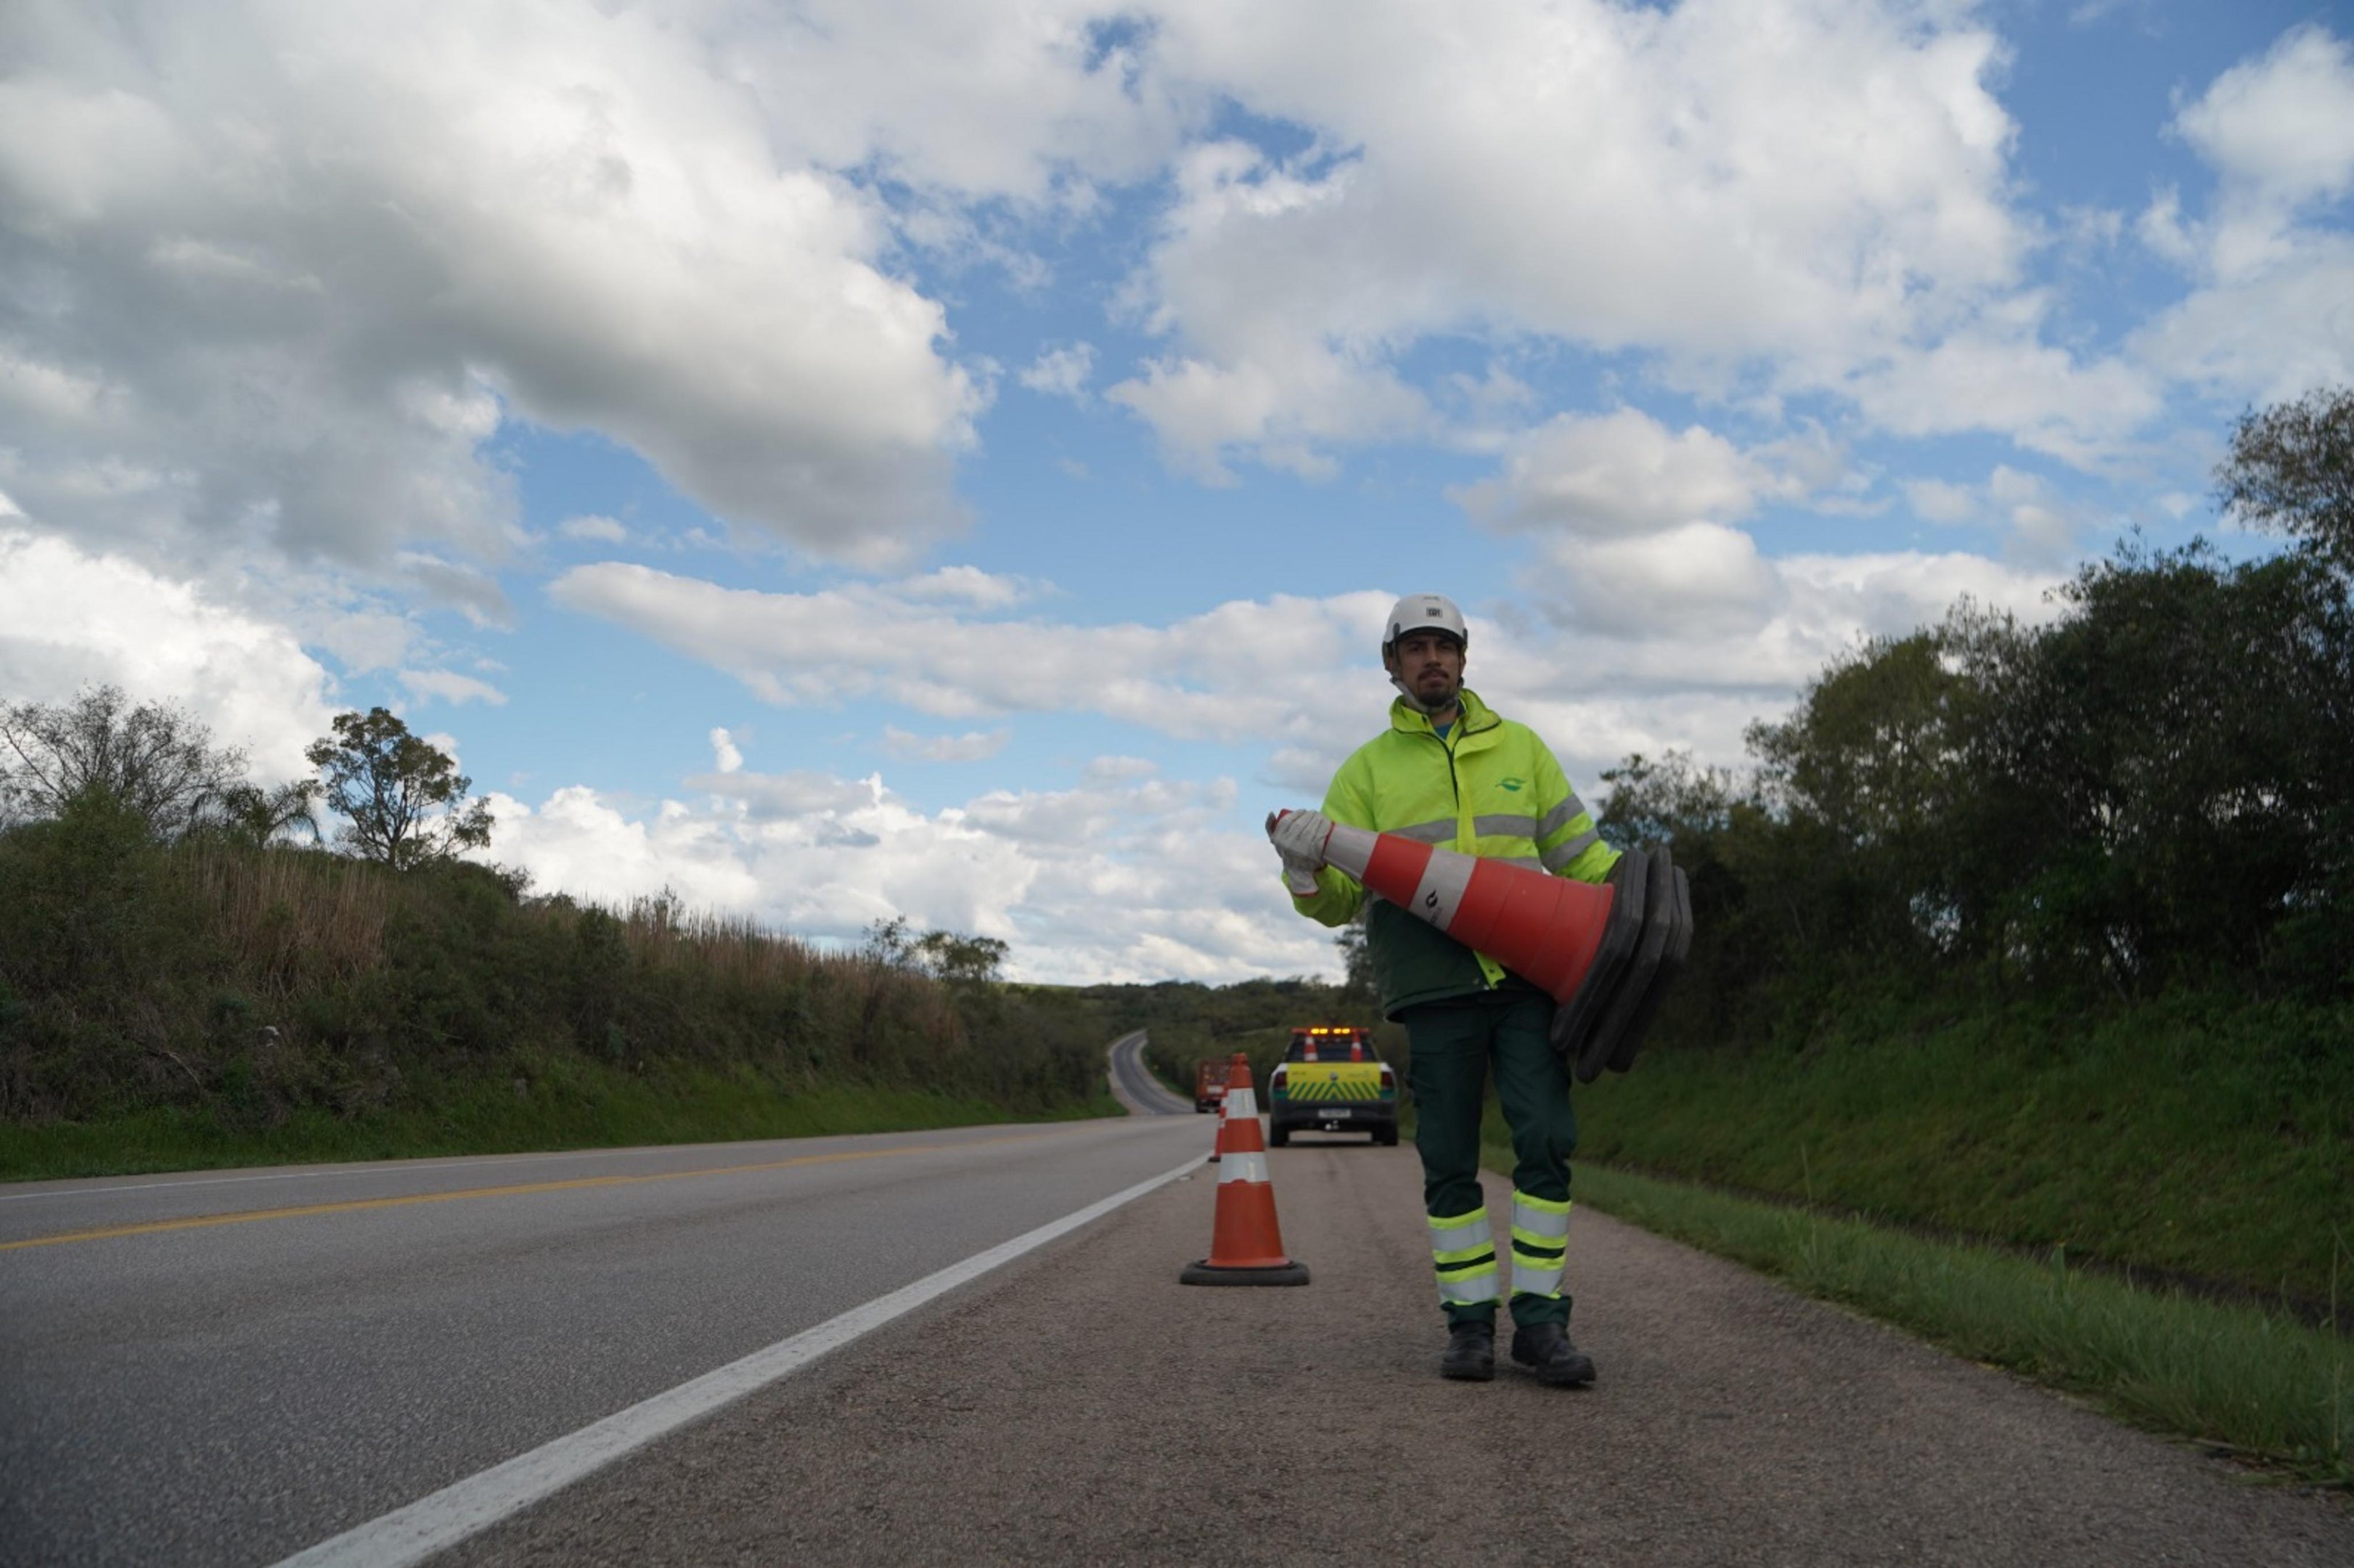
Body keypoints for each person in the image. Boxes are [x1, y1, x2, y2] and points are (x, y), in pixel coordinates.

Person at [1269, 593, 1618, 1386]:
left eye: (1444, 646)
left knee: (1545, 1138)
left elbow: (1582, 859)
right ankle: (1469, 1328)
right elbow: (1342, 901)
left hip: (1526, 978)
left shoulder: (1522, 748)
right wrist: (1303, 873)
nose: (1432, 659)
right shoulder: (1365, 770)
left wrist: (1641, 900)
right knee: (1449, 1157)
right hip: (1432, 985)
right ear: (1391, 665)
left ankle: (1542, 1325)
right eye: (1416, 648)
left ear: (1464, 658)